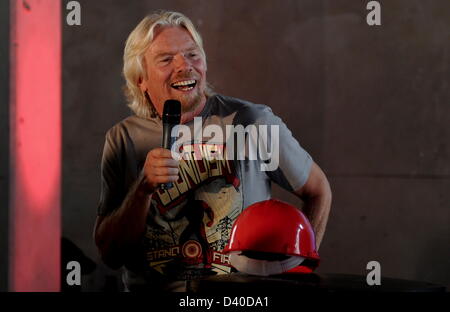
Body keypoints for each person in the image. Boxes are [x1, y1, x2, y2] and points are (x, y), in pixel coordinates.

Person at [93, 10, 332, 292]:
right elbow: (111, 254)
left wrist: (295, 269)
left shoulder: (251, 121)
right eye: (166, 59)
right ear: (140, 79)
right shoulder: (124, 139)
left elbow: (318, 189)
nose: (185, 66)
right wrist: (142, 189)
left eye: (192, 55)